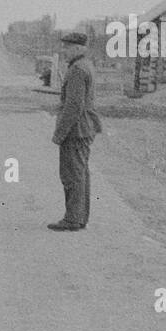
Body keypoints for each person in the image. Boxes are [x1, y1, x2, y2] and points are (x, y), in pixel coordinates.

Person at [48, 31, 102, 231]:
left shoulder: (78, 70)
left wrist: (59, 134)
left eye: (67, 47)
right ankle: (79, 218)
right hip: (84, 128)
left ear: (78, 49)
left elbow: (73, 106)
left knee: (73, 176)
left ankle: (73, 219)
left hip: (76, 130)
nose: (64, 51)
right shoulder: (85, 66)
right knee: (80, 175)